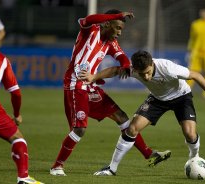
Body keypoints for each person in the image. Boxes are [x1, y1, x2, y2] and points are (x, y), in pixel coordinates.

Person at [50, 9, 171, 176]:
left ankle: (149, 155)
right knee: (79, 129)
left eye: (121, 29)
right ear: (107, 23)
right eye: (117, 28)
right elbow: (90, 19)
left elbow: (121, 57)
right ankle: (57, 167)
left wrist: (126, 66)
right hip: (75, 85)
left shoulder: (110, 42)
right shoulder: (89, 31)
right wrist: (116, 15)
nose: (120, 33)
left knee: (121, 117)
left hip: (90, 87)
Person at [85, 50, 205, 175]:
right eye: (142, 73)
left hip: (181, 97)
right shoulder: (134, 69)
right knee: (132, 129)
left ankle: (194, 156)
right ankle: (112, 168)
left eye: (148, 72)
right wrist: (94, 77)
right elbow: (115, 70)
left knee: (190, 133)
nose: (145, 77)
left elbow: (196, 75)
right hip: (157, 99)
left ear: (152, 64)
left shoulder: (168, 68)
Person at [0, 28, 43, 184]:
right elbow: (16, 92)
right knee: (18, 139)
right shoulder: (1, 59)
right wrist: (17, 114)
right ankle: (23, 177)